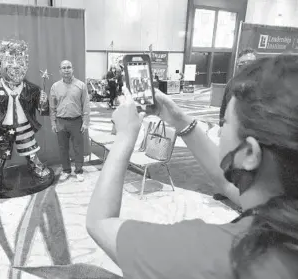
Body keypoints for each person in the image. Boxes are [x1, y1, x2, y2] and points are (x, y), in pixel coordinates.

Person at [86, 55, 298, 278]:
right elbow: (227, 184)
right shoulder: (283, 207)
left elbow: (100, 222)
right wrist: (179, 120)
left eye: (224, 123)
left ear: (249, 154)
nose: (219, 130)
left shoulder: (215, 254)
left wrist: (125, 135)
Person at [0, 39, 52, 191]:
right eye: (10, 61)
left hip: (24, 126)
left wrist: (43, 103)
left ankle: (35, 165)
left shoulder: (32, 89)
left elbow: (42, 111)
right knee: (0, 153)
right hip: (3, 129)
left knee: (30, 149)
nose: (16, 66)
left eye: (20, 61)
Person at [214, 48, 257, 200]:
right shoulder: (232, 83)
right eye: (242, 63)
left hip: (250, 133)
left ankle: (244, 198)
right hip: (231, 131)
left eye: (249, 62)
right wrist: (221, 124)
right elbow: (224, 105)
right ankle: (227, 190)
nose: (245, 65)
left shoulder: (261, 85)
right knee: (228, 162)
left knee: (246, 166)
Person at [50, 60, 90, 182]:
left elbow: (86, 105)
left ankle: (78, 170)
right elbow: (52, 107)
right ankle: (66, 170)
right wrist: (53, 122)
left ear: (72, 69)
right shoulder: (55, 87)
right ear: (60, 70)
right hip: (61, 122)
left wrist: (85, 122)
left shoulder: (81, 85)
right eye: (64, 68)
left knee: (78, 147)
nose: (66, 70)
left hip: (77, 121)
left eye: (68, 67)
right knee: (63, 148)